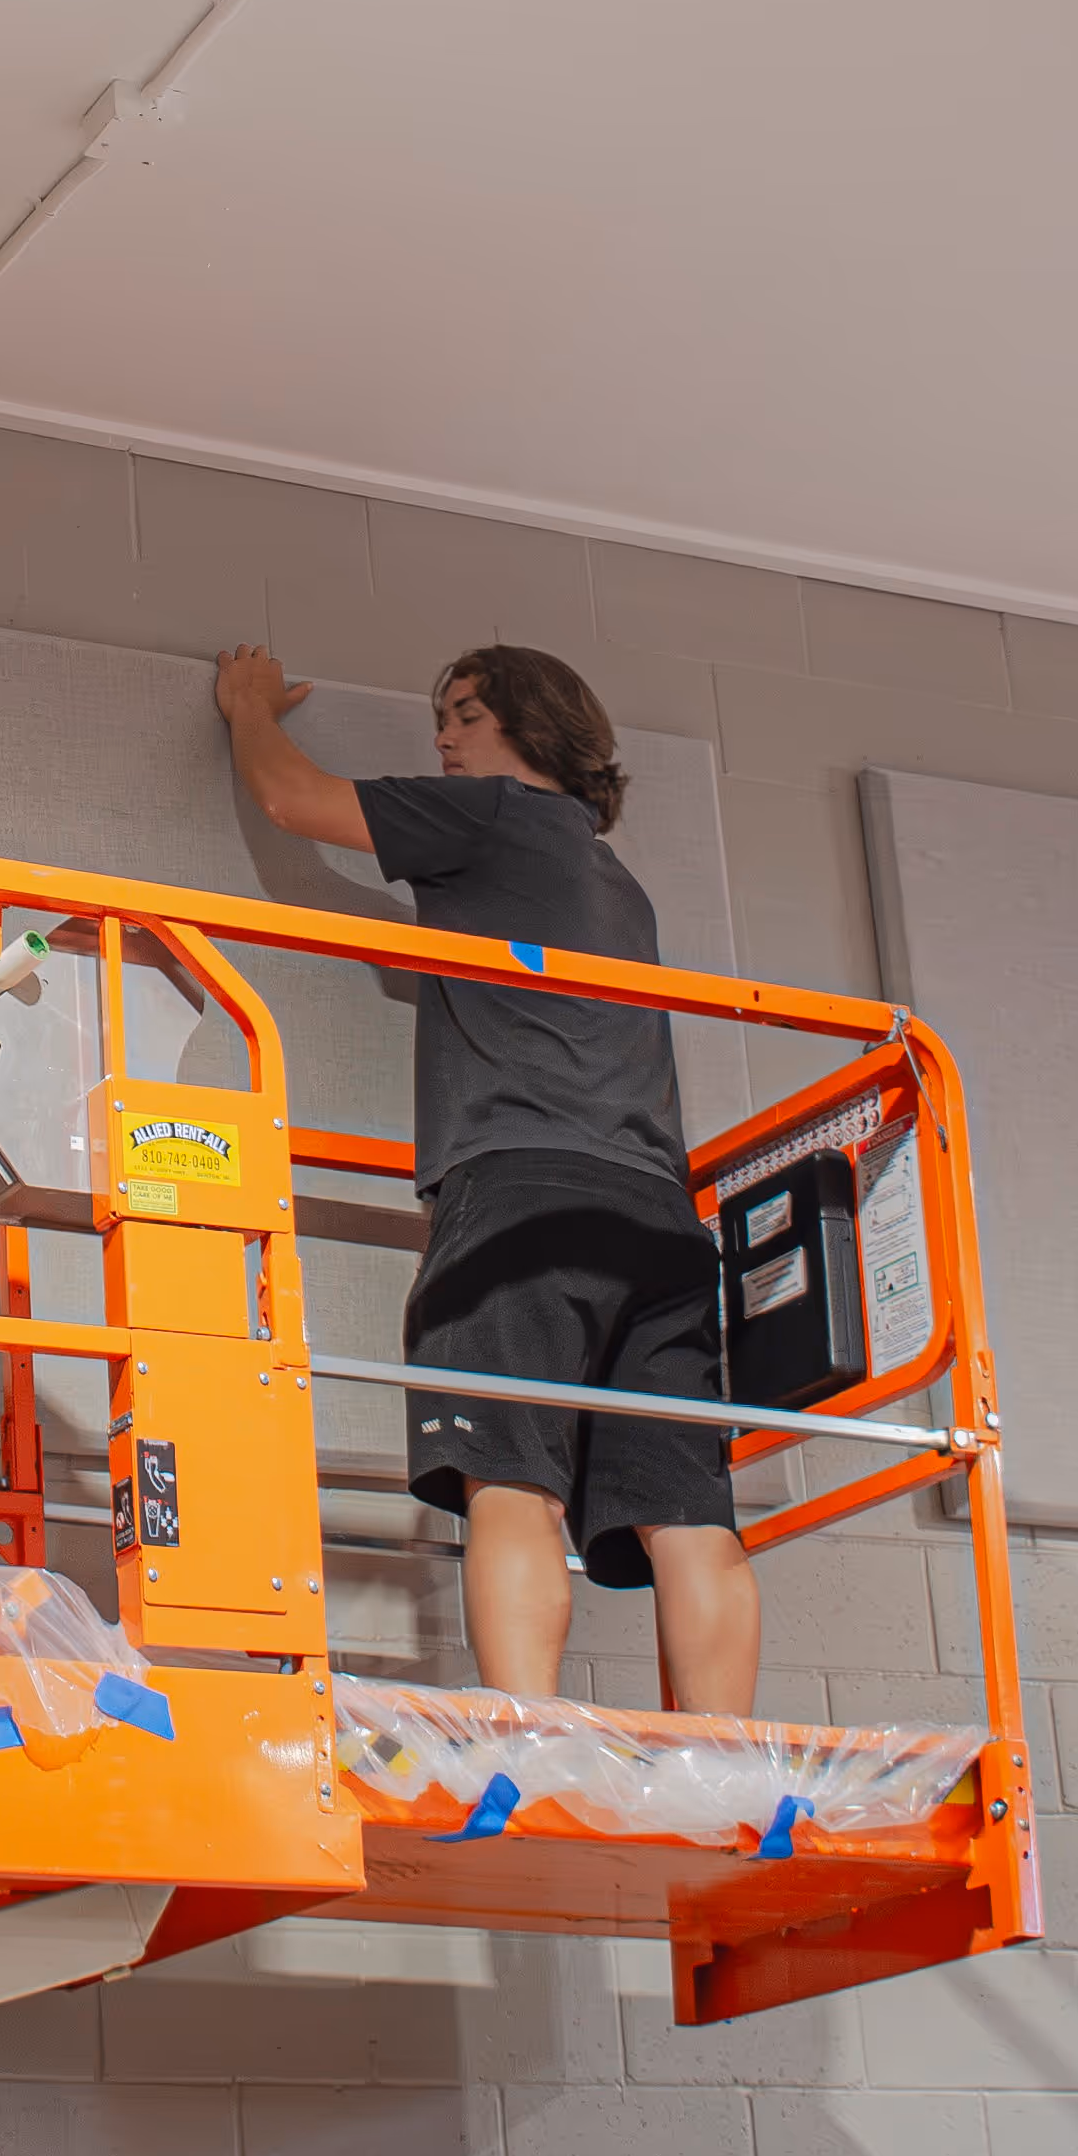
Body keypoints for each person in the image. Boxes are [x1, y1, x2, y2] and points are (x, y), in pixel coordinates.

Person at [212, 637, 754, 1715]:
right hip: (657, 1218)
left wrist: (246, 707)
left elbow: (293, 799)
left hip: (523, 1197)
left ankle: (530, 1733)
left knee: (509, 1473)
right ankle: (724, 1759)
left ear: (528, 723)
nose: (444, 738)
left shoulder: (496, 815)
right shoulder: (616, 884)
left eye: (464, 713)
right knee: (687, 1506)